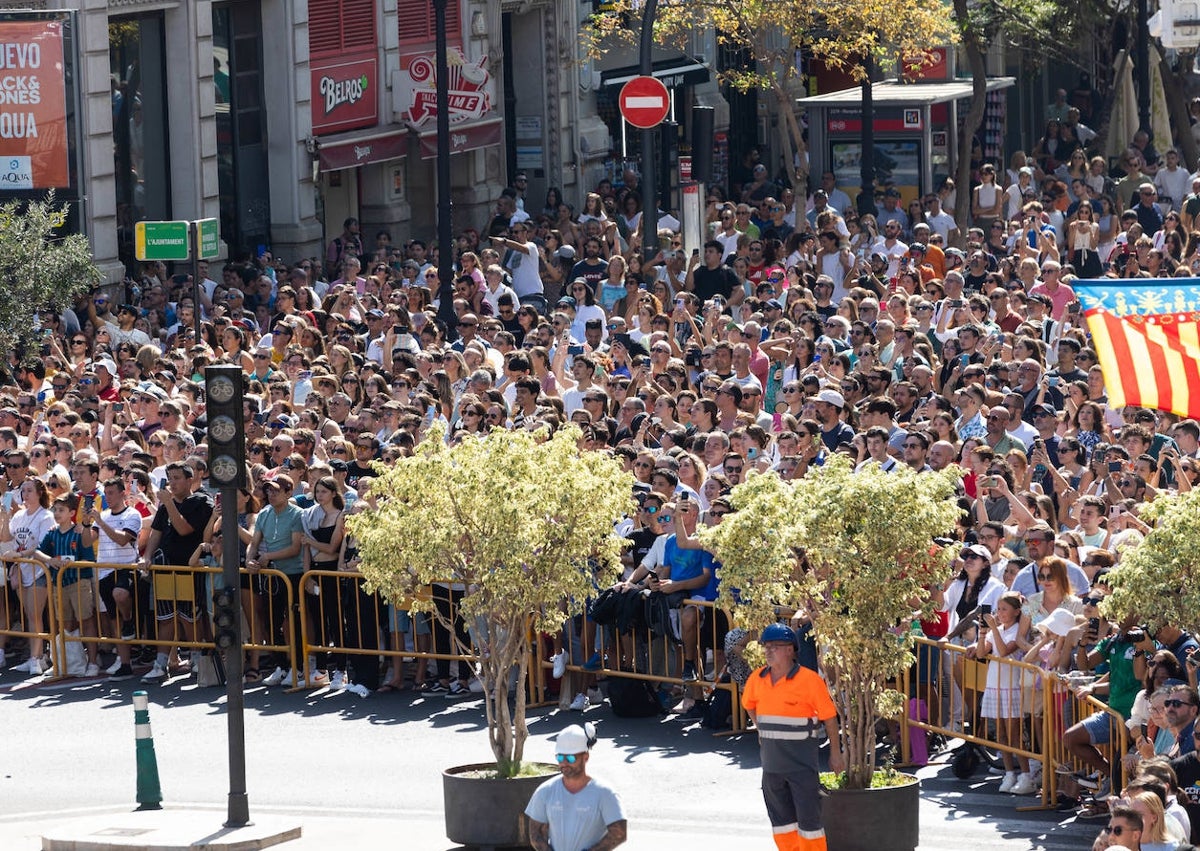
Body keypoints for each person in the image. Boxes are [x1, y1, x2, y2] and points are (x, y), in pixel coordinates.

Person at [742, 622, 844, 851]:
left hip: (802, 770)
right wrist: (759, 728)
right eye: (765, 646)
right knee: (782, 827)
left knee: (810, 827)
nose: (768, 651)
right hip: (771, 771)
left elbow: (829, 717)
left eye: (774, 646)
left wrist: (835, 754)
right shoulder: (757, 679)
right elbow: (749, 704)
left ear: (790, 650)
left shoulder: (809, 681)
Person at [525, 722, 627, 851]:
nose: (564, 763)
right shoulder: (545, 791)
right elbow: (536, 834)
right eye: (560, 757)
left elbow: (619, 833)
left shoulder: (605, 793)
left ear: (585, 757)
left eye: (571, 759)